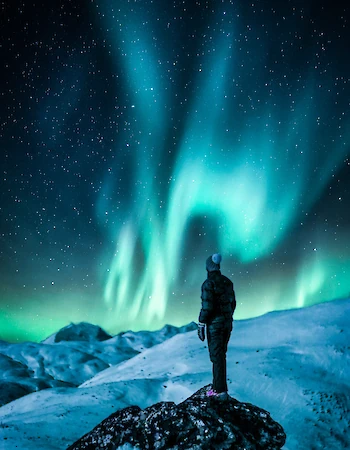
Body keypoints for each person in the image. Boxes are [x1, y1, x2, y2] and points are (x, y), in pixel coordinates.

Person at [198, 253, 236, 400]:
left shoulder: (208, 284)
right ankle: (219, 387)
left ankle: (219, 391)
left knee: (216, 357)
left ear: (208, 267)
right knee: (221, 356)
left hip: (215, 326)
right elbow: (233, 304)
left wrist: (201, 323)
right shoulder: (228, 282)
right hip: (227, 323)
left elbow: (207, 307)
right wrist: (227, 317)